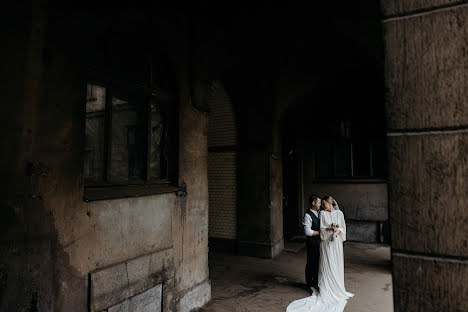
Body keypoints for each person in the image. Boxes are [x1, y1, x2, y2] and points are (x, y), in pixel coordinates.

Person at [287, 195, 353, 312]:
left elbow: (343, 227)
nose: (322, 206)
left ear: (330, 203)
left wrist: (338, 230)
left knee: (332, 263)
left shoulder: (339, 214)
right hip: (324, 243)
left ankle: (335, 286)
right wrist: (329, 230)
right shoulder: (321, 214)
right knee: (318, 263)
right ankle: (315, 284)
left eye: (324, 204)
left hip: (336, 243)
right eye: (320, 204)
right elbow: (320, 229)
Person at [303, 195, 321, 293]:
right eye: (318, 202)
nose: (320, 204)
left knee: (317, 263)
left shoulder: (319, 213)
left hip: (318, 242)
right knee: (311, 263)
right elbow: (307, 232)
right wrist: (320, 232)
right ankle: (309, 283)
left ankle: (316, 282)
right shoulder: (308, 215)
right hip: (312, 243)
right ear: (313, 203)